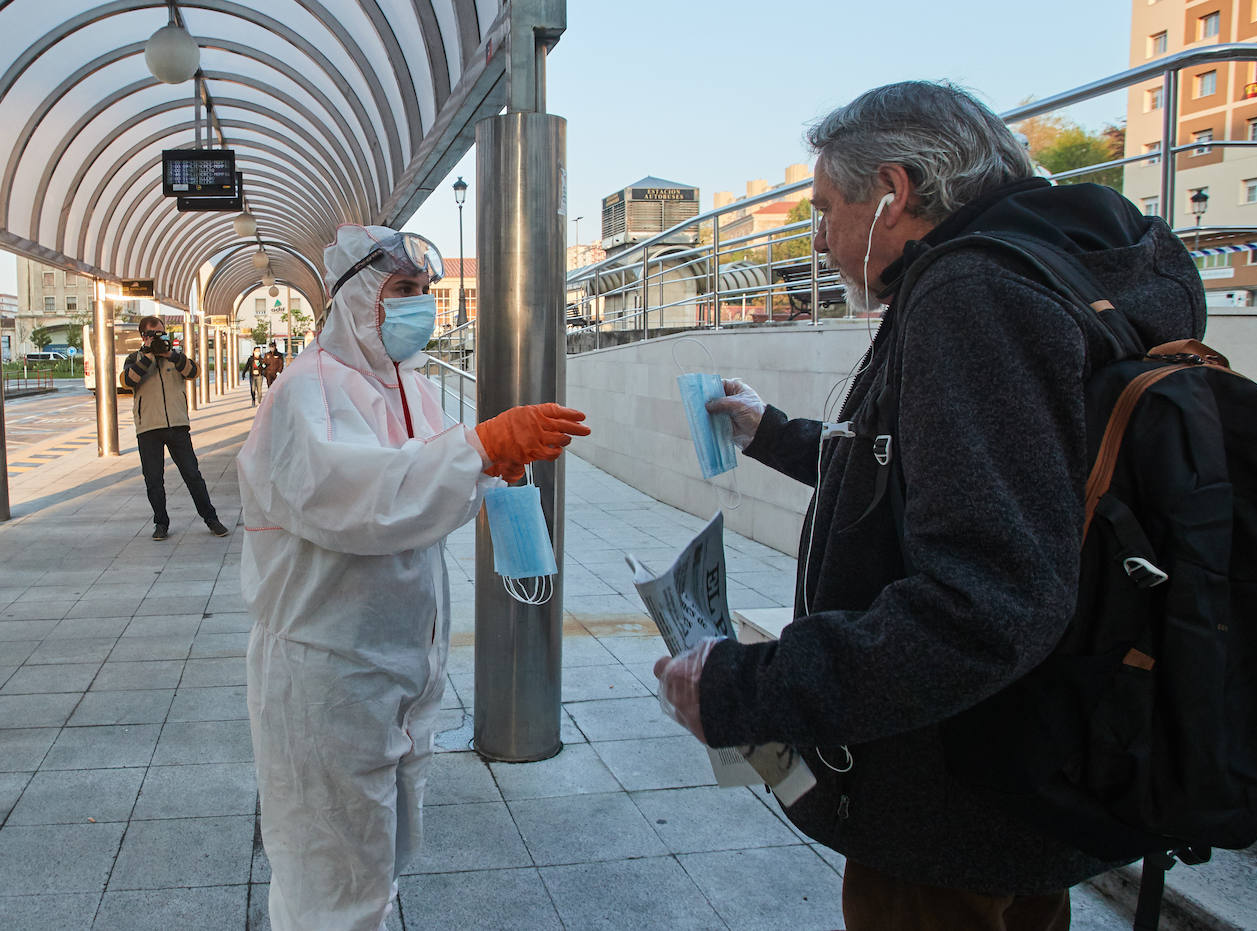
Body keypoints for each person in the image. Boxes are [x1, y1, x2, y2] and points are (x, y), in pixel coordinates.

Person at [655, 81, 1205, 930]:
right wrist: (774, 433)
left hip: (956, 795)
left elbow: (987, 600)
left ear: (894, 192)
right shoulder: (1067, 269)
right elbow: (949, 470)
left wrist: (747, 685)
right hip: (1040, 763)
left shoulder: (973, 292)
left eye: (828, 208)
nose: (822, 237)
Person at [237, 224, 589, 931]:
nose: (418, 307)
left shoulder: (409, 385)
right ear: (355, 297)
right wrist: (478, 448)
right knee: (330, 878)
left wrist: (483, 469)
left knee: (378, 859)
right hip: (328, 673)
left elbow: (420, 492)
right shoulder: (305, 392)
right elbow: (363, 498)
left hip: (397, 671)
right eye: (402, 291)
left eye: (423, 292)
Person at [121, 316, 230, 541]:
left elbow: (194, 372)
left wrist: (171, 354)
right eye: (153, 335)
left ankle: (211, 519)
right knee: (154, 480)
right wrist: (149, 357)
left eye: (161, 333)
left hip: (178, 425)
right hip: (148, 427)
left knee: (193, 475)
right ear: (144, 337)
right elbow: (127, 381)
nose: (158, 338)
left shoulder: (174, 358)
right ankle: (161, 523)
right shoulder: (135, 358)